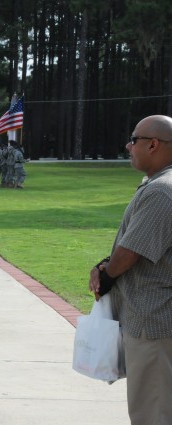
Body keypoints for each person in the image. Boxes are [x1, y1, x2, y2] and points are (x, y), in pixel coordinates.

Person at [89, 115, 172, 425]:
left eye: (134, 139)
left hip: (155, 323)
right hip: (154, 321)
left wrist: (106, 276)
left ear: (153, 144)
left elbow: (130, 252)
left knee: (152, 412)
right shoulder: (157, 184)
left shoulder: (162, 190)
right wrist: (104, 265)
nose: (128, 145)